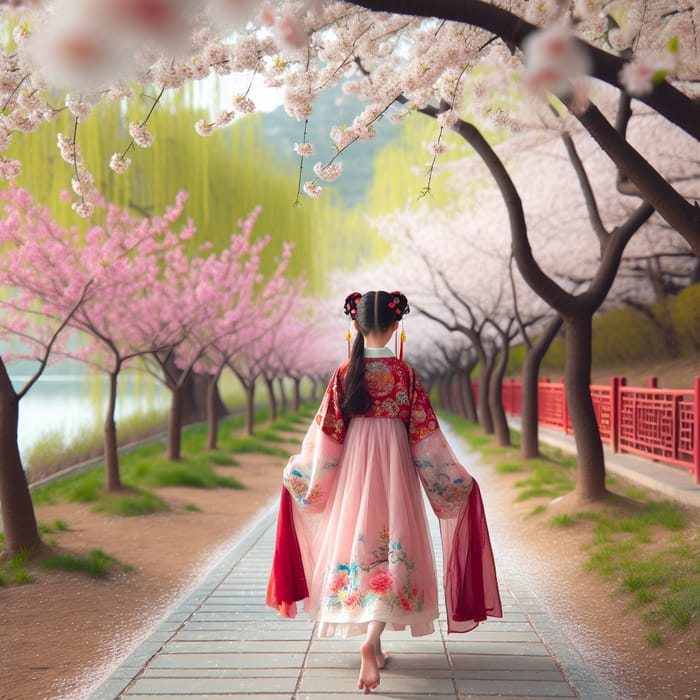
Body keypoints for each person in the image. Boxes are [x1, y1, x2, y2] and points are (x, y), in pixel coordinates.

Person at [267, 290, 501, 694]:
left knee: (358, 548)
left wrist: (301, 475)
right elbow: (426, 440)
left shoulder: (344, 375)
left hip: (355, 476)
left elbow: (325, 439)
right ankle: (372, 642)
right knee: (395, 547)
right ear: (397, 327)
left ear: (355, 326)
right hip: (395, 475)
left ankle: (370, 642)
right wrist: (453, 480)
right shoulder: (405, 376)